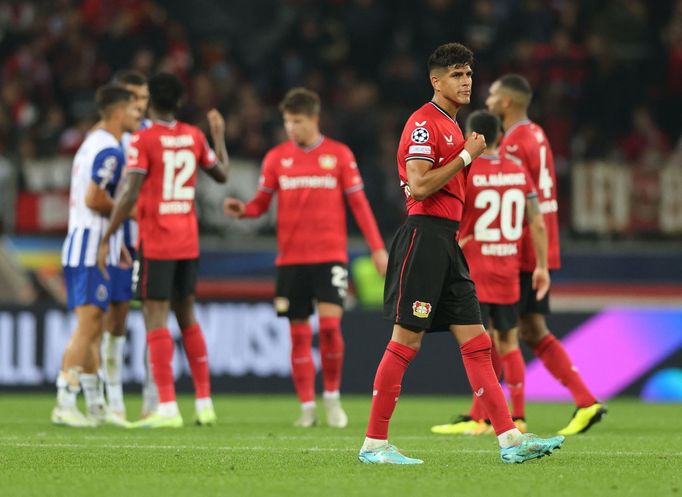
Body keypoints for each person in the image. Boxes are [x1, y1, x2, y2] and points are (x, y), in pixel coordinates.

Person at [357, 42, 564, 465]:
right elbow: (418, 185)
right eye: (456, 74)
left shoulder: (454, 125)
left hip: (448, 242)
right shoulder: (424, 124)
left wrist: (466, 152)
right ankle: (374, 444)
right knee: (405, 341)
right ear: (436, 80)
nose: (466, 80)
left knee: (478, 340)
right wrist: (467, 155)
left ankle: (509, 440)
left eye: (469, 73)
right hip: (423, 237)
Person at [224, 88, 388, 428]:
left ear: (314, 119)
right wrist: (244, 210)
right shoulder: (276, 158)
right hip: (291, 260)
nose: (291, 128)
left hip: (329, 257)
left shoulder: (339, 156)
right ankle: (307, 408)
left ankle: (331, 399)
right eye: (287, 121)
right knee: (298, 335)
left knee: (329, 328)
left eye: (297, 121)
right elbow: (260, 203)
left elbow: (359, 205)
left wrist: (377, 248)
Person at [97, 72, 229, 428]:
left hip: (157, 241)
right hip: (188, 240)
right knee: (188, 317)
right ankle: (204, 402)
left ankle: (167, 407)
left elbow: (130, 193)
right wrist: (218, 136)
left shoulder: (143, 139)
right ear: (181, 102)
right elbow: (222, 175)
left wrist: (109, 233)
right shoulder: (194, 136)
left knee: (155, 319)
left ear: (151, 101)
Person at [486, 74, 606, 435]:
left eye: (491, 94)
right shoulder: (536, 134)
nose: (487, 99)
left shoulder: (512, 144)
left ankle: (497, 416)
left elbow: (517, 199)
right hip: (541, 245)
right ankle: (585, 401)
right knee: (530, 328)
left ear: (505, 102)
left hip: (522, 248)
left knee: (501, 329)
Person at [431, 110, 549, 436]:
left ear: (473, 138)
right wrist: (540, 265)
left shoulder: (468, 169)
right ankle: (516, 416)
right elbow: (537, 221)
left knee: (479, 346)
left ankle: (480, 418)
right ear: (501, 136)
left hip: (474, 269)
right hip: (509, 269)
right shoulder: (518, 171)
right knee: (508, 343)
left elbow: (451, 213)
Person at [52, 85, 141, 427]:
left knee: (95, 325)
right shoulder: (110, 150)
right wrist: (128, 212)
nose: (138, 117)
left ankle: (95, 405)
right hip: (91, 245)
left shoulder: (93, 141)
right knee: (89, 325)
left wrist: (114, 234)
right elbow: (94, 199)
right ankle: (64, 397)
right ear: (118, 112)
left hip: (88, 240)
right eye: (134, 111)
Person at [98, 70, 154, 423]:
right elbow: (102, 193)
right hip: (122, 238)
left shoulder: (155, 135)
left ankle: (153, 397)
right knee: (115, 318)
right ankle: (113, 396)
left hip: (152, 239)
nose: (138, 105)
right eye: (132, 98)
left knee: (154, 317)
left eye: (143, 98)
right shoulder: (110, 139)